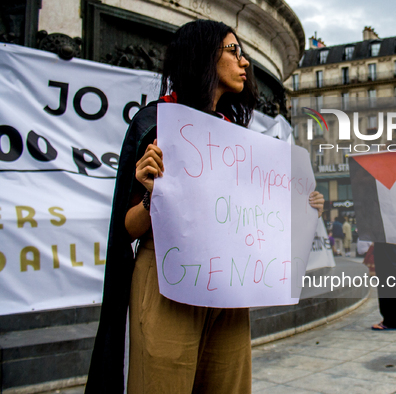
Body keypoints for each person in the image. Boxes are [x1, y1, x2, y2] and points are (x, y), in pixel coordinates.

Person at [85, 20, 324, 393]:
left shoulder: (237, 138)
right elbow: (127, 228)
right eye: (234, 51)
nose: (245, 63)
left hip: (227, 288)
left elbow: (250, 219)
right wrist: (152, 195)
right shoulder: (155, 122)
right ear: (202, 56)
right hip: (168, 282)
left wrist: (301, 207)